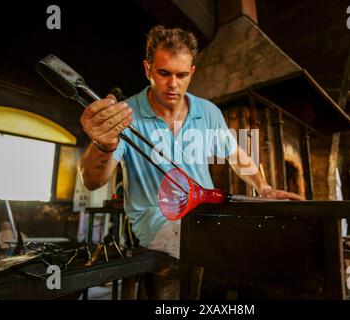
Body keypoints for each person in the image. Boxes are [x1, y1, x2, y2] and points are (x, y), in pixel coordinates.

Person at [79, 25, 303, 298]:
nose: (173, 84)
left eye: (182, 75)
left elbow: (236, 155)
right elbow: (92, 181)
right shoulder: (126, 116)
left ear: (192, 73)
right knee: (226, 250)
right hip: (158, 220)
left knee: (278, 223)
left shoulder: (208, 112)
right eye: (164, 73)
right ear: (148, 69)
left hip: (207, 211)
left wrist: (264, 188)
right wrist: (103, 144)